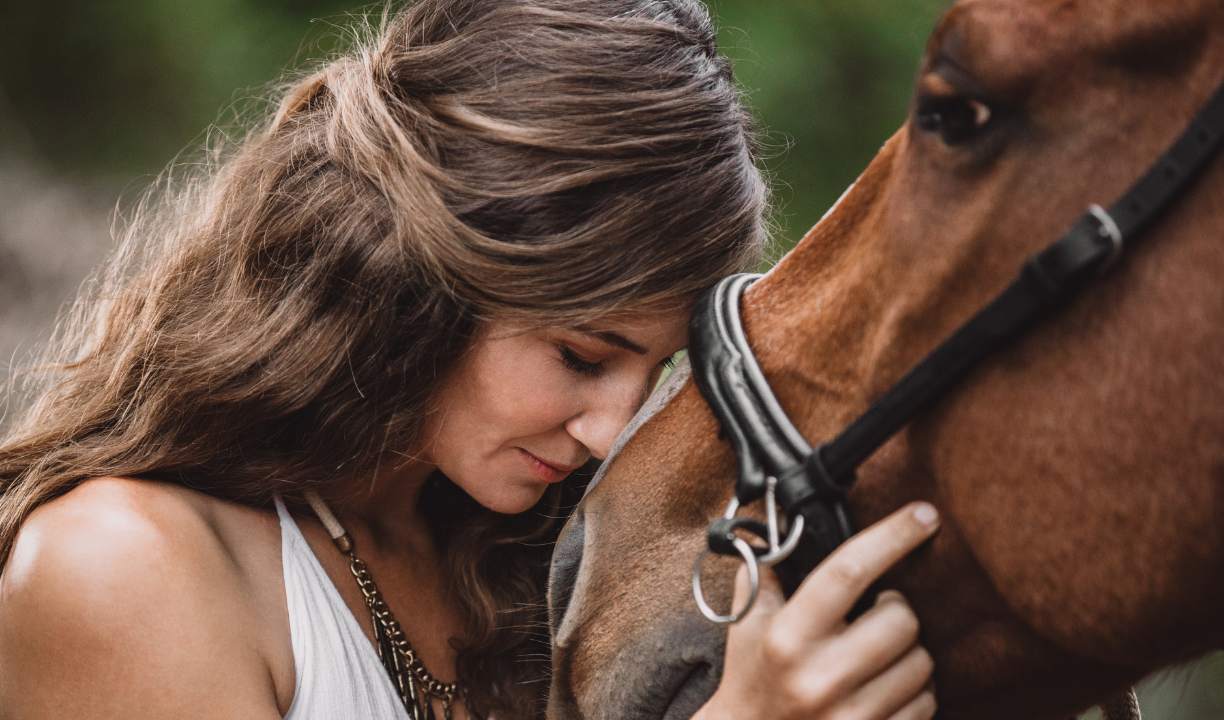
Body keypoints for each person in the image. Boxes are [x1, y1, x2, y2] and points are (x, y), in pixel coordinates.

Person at [0, 1, 938, 719]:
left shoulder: (523, 564)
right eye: (580, 354)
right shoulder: (119, 572)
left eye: (652, 372)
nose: (611, 430)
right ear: (417, 279)